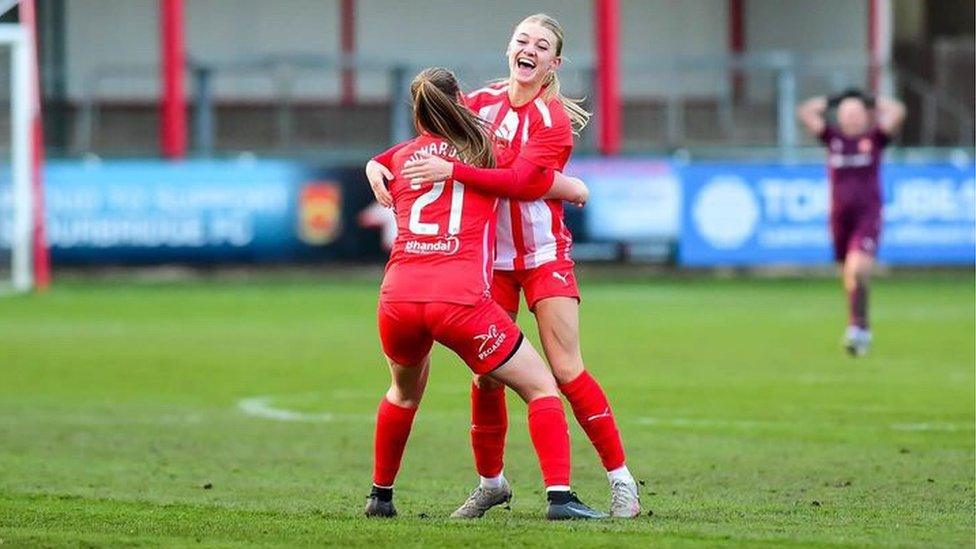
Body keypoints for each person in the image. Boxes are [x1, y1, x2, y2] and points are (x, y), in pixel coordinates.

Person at [366, 13, 640, 519]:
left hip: (540, 255)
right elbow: (426, 140)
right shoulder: (482, 103)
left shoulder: (551, 119)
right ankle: (490, 483)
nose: (528, 48)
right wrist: (375, 164)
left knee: (564, 368)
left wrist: (457, 171)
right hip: (489, 260)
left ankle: (620, 480)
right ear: (509, 48)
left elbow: (520, 181)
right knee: (487, 376)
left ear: (554, 63)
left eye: (541, 45)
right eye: (522, 39)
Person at [797, 88, 906, 356]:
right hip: (839, 218)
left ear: (866, 115)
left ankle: (858, 326)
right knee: (849, 274)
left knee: (858, 268)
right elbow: (805, 112)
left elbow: (897, 111)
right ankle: (860, 325)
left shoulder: (875, 138)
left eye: (857, 112)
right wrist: (832, 99)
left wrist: (871, 99)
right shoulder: (832, 138)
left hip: (867, 215)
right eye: (847, 113)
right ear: (840, 117)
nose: (852, 118)